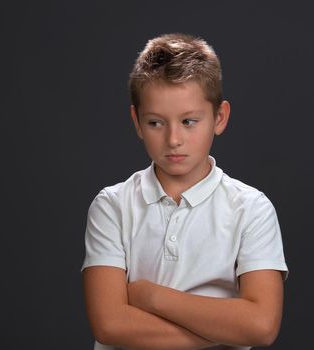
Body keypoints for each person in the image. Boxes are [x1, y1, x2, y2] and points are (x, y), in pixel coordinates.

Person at [81, 33, 289, 350]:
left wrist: (151, 296)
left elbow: (260, 326)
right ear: (136, 121)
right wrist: (224, 331)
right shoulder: (113, 205)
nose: (173, 139)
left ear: (219, 118)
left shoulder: (251, 208)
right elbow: (110, 325)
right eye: (155, 123)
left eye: (189, 121)